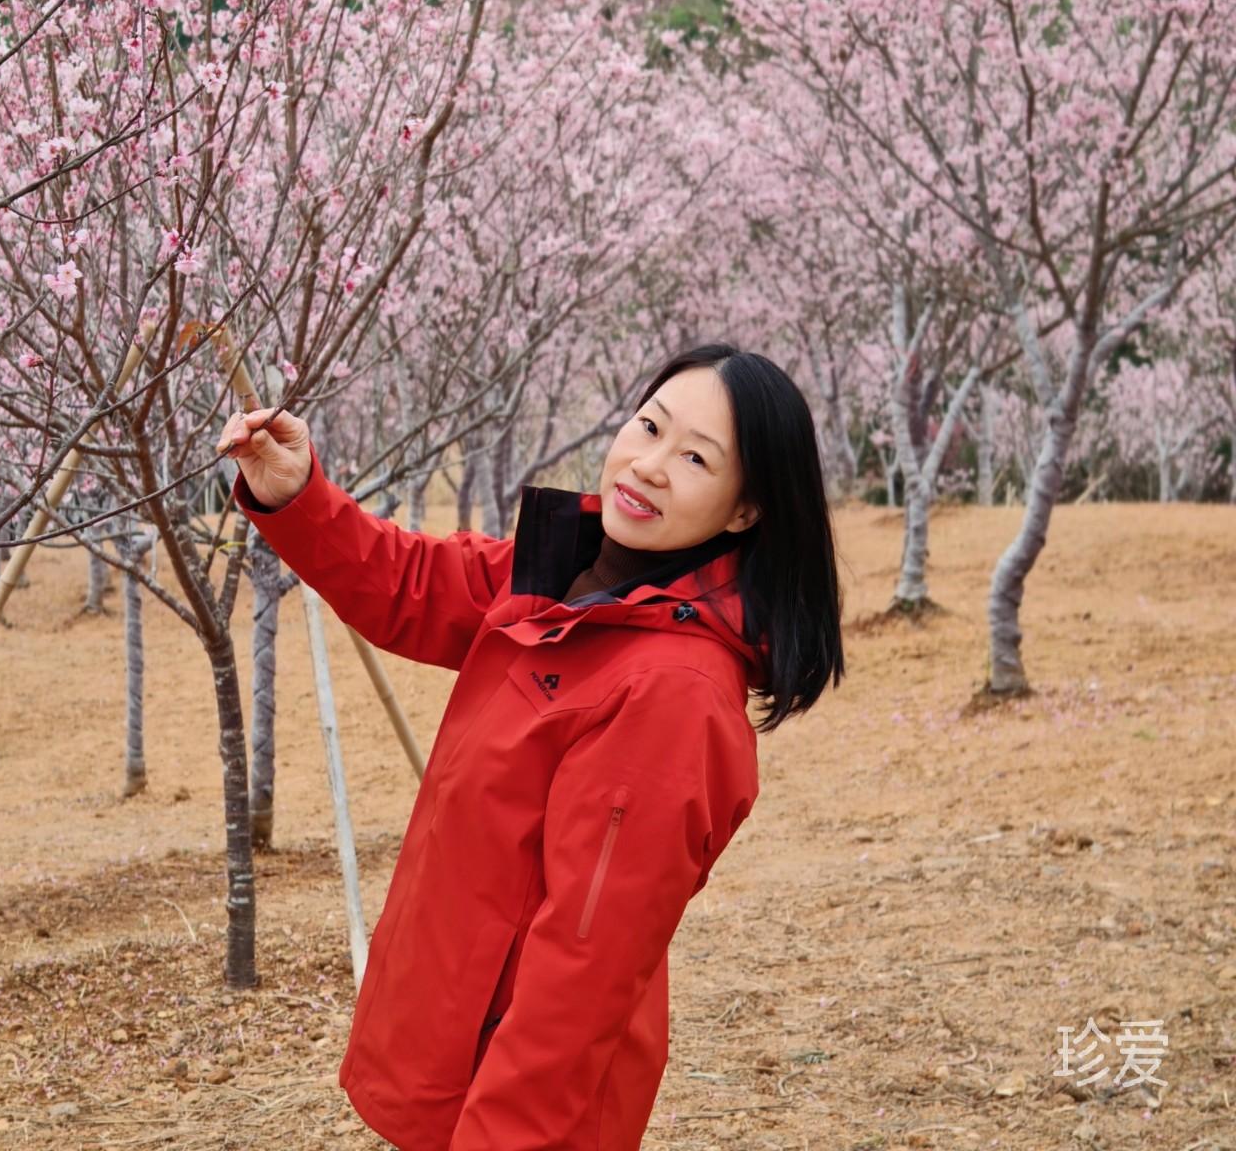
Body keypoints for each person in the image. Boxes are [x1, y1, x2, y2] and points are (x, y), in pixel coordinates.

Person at [217, 341, 845, 1150]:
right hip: (457, 1039)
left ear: (744, 511)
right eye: (650, 426)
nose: (649, 465)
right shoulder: (573, 579)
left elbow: (585, 972)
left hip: (518, 1094)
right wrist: (297, 495)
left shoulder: (674, 696)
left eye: (695, 458)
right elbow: (411, 584)